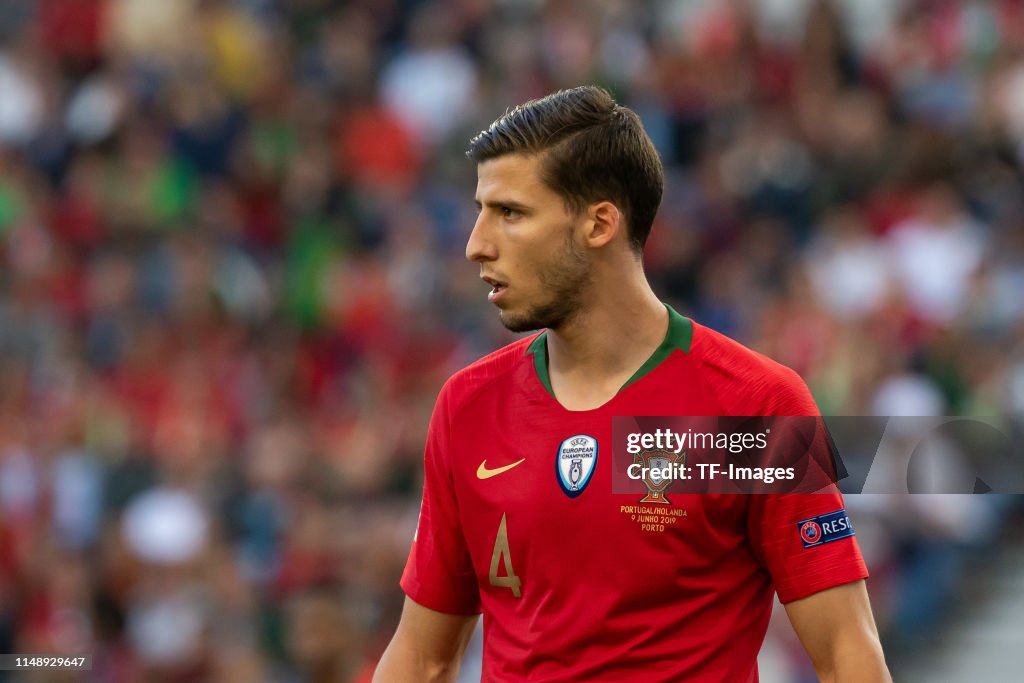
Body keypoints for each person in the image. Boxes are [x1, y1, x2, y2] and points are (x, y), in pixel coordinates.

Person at [373, 86, 891, 682]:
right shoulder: (468, 405)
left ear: (599, 223)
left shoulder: (753, 408)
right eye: (481, 210)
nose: (475, 244)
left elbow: (849, 654)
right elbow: (421, 656)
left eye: (510, 213)